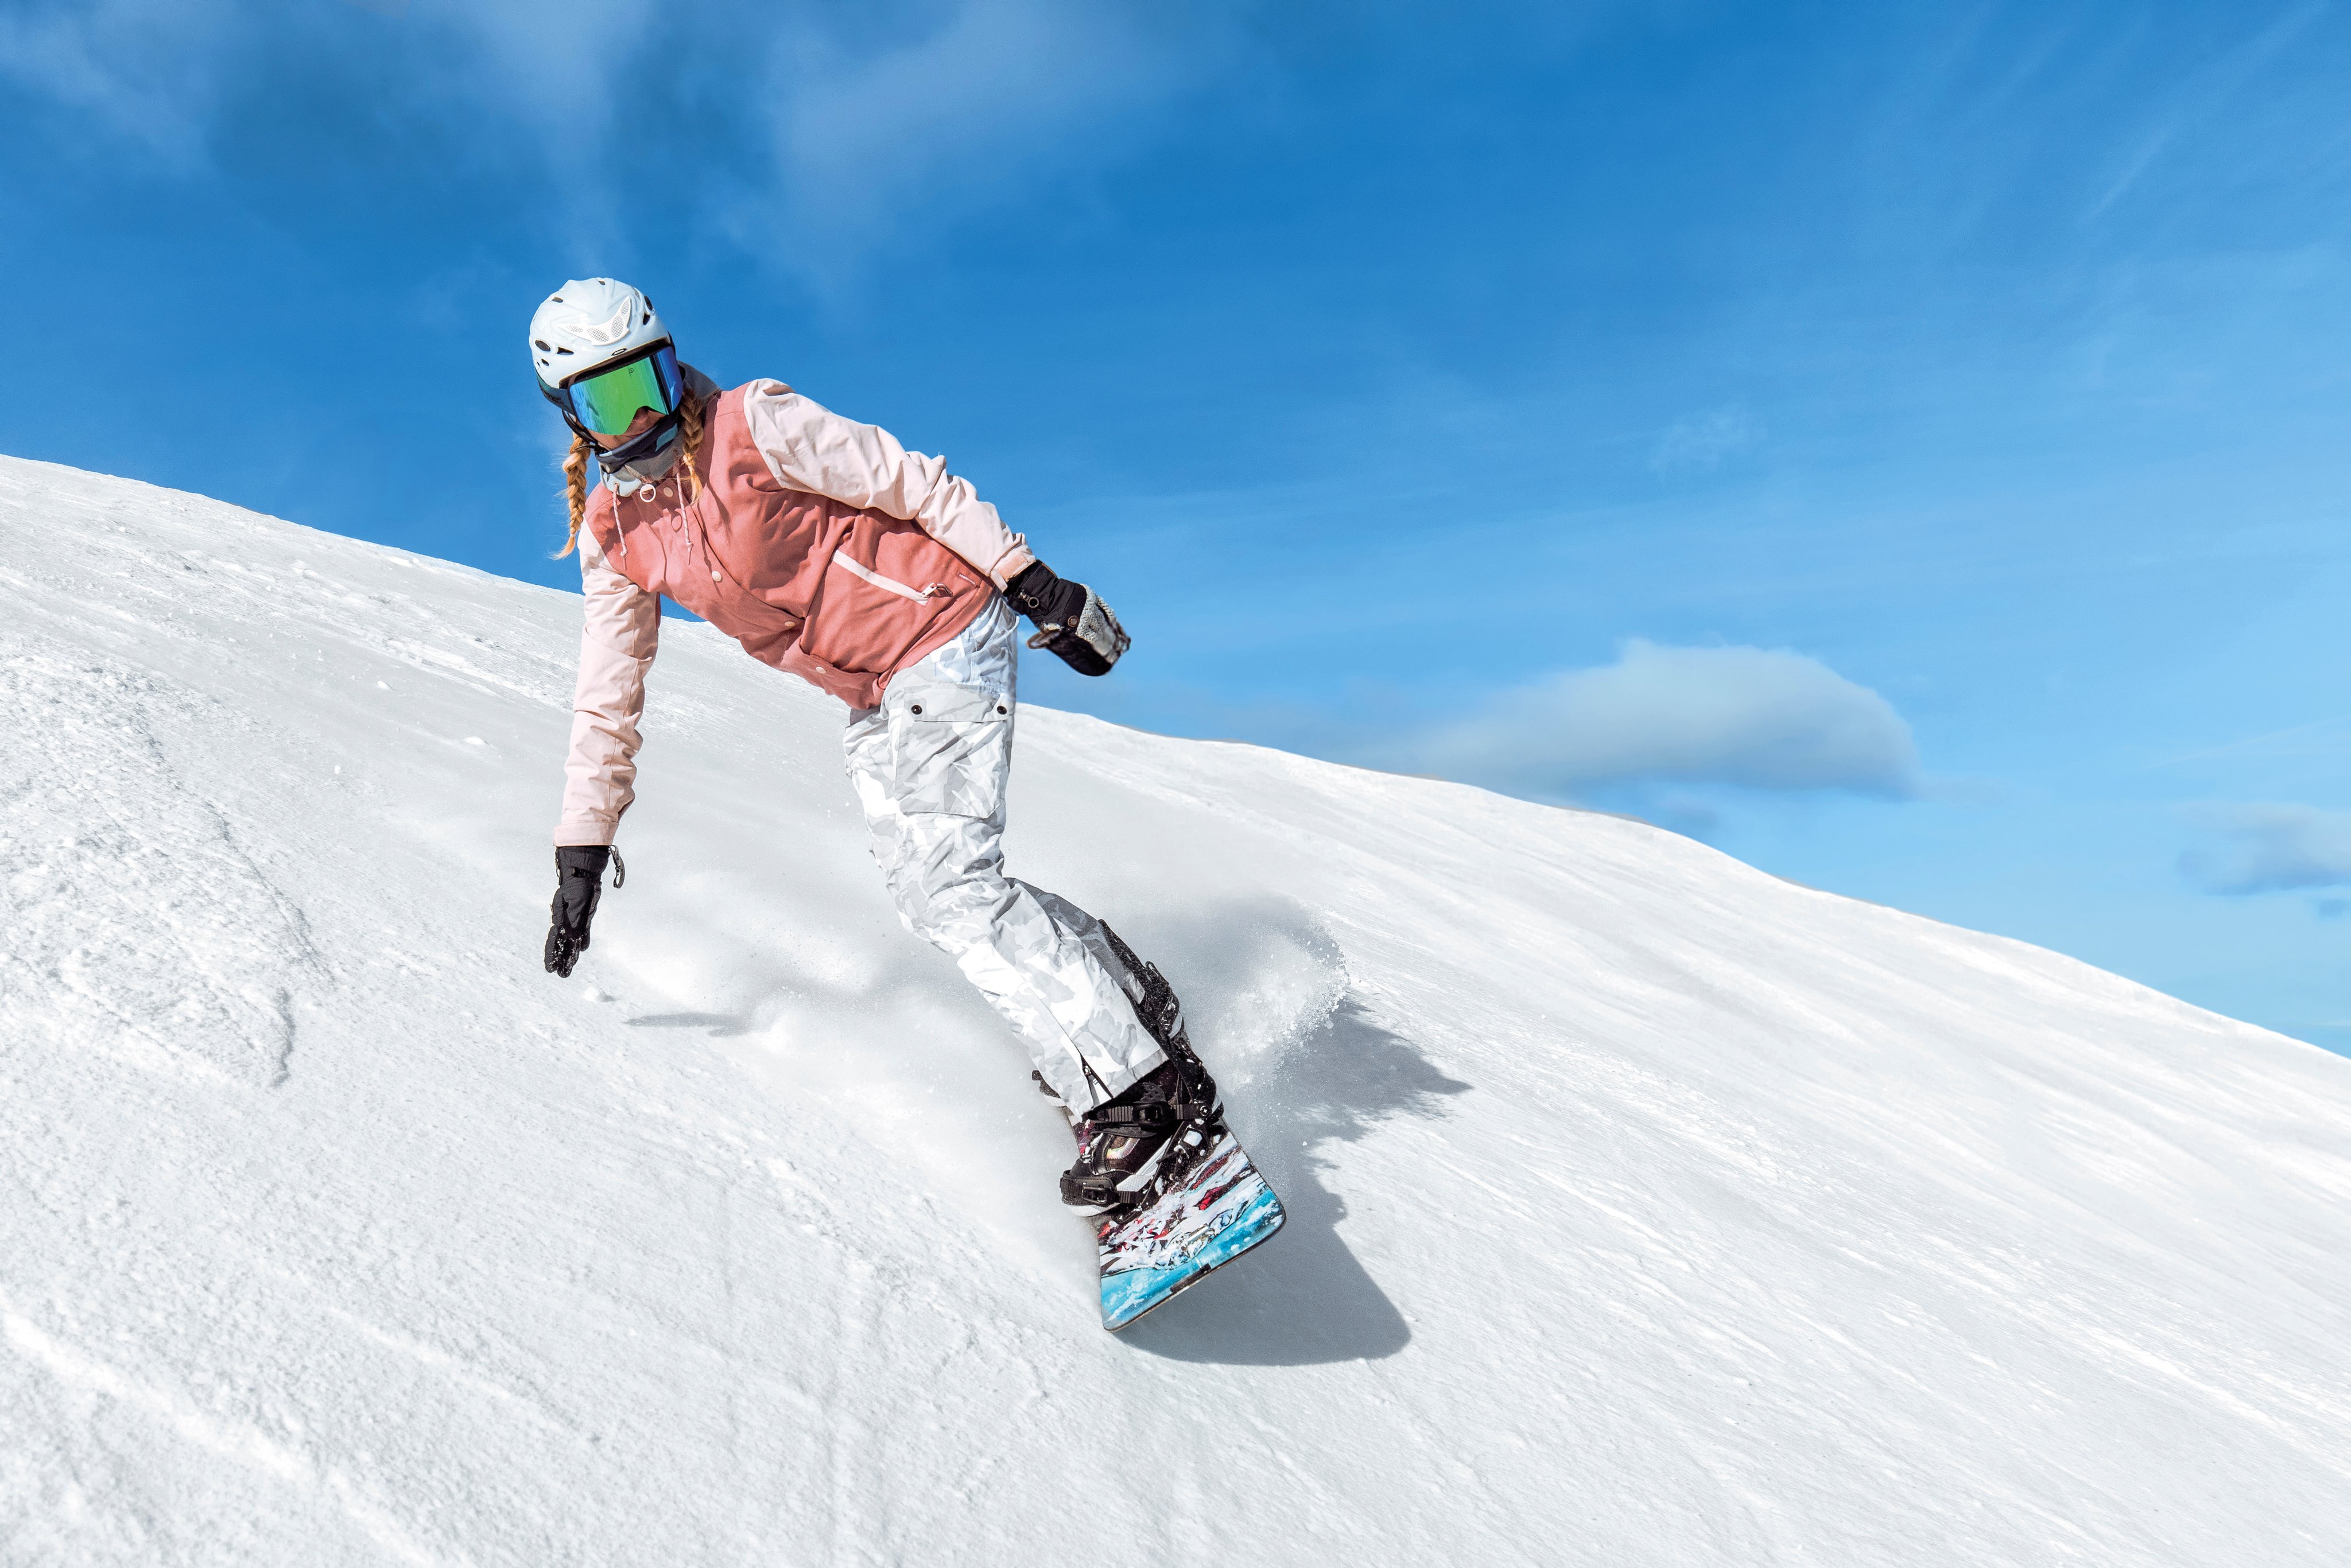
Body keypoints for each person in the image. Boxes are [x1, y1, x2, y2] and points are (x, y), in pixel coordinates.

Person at [530, 277, 1218, 1216]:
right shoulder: (617, 534)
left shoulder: (753, 423)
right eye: (612, 399)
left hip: (944, 630)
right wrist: (584, 839)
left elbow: (912, 480)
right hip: (875, 688)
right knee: (925, 890)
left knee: (952, 881)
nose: (646, 411)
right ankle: (1123, 994)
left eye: (652, 377)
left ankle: (1143, 1093)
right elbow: (607, 692)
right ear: (573, 416)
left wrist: (1031, 582)